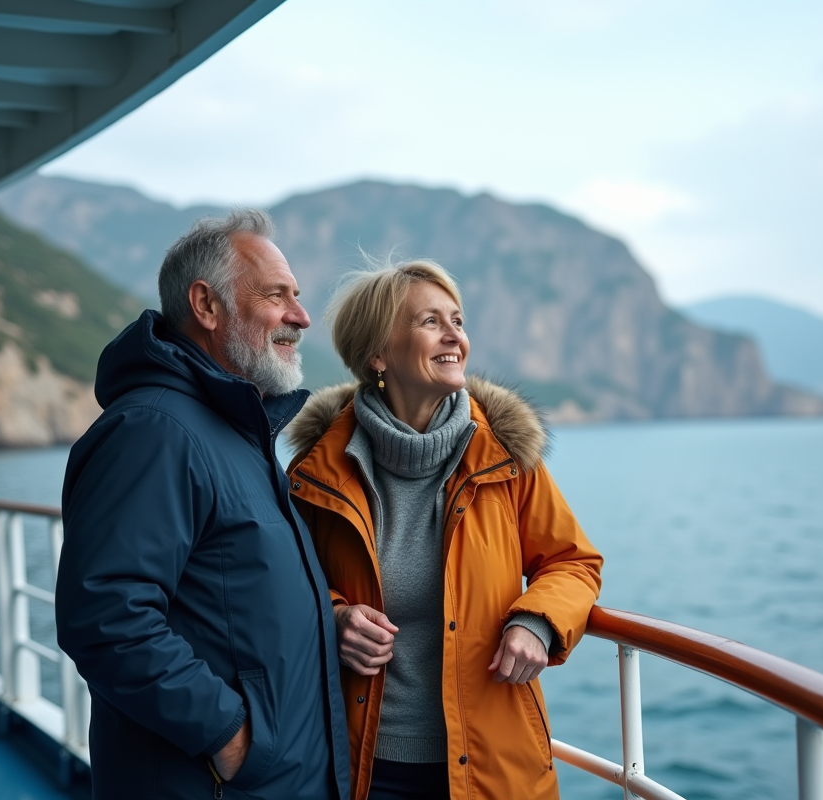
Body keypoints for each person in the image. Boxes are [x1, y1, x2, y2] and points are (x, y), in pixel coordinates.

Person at [55, 209, 349, 800]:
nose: (301, 316)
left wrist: (332, 621)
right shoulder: (153, 430)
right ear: (207, 306)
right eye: (277, 296)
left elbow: (232, 596)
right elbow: (108, 616)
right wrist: (233, 737)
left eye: (297, 296)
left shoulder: (234, 432)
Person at [284, 259, 603, 800]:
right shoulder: (318, 471)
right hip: (361, 764)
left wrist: (537, 621)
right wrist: (336, 617)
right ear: (377, 354)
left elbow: (573, 561)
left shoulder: (505, 455)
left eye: (457, 319)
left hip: (492, 766)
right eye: (430, 321)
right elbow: (288, 583)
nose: (455, 334)